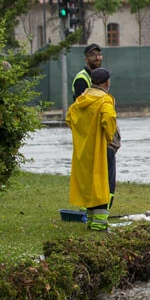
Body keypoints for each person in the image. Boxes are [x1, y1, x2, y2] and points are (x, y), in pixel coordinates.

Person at [66, 67, 119, 231]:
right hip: (101, 149)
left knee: (89, 184)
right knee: (103, 183)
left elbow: (69, 118)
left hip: (84, 150)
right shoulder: (104, 100)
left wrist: (82, 135)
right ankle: (100, 223)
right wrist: (109, 136)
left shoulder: (82, 98)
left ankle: (90, 220)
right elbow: (109, 118)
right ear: (106, 82)